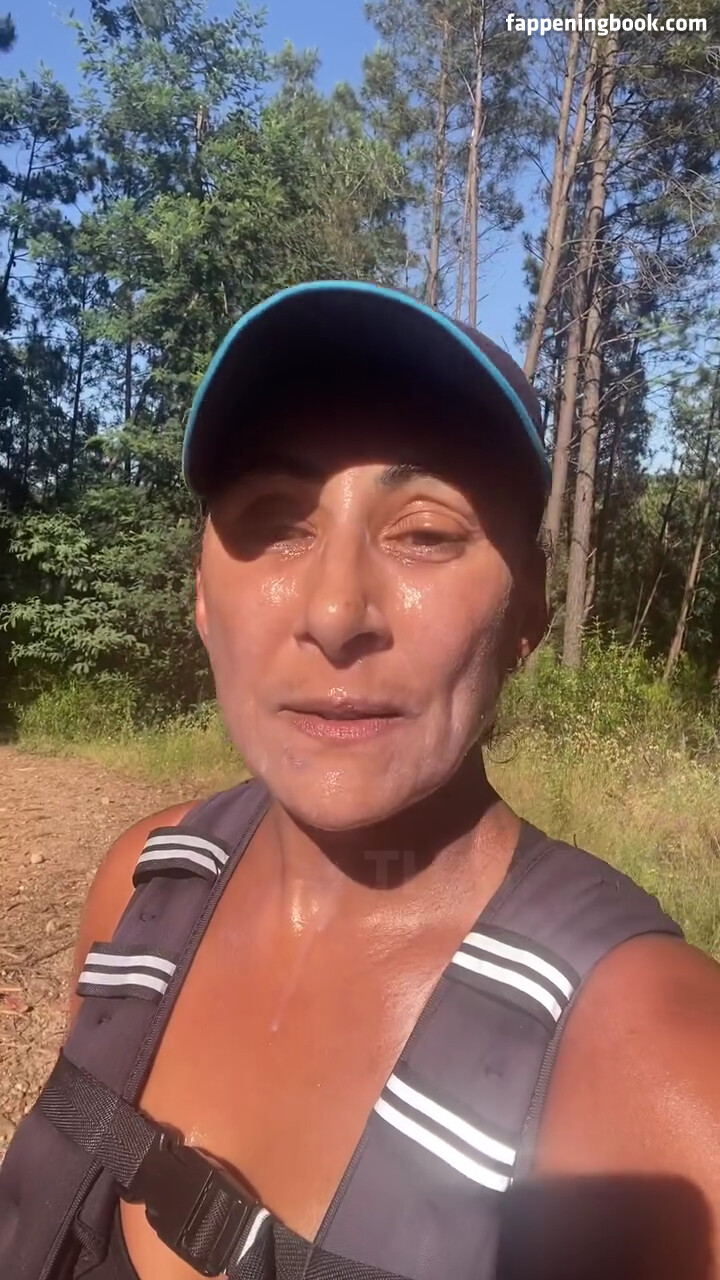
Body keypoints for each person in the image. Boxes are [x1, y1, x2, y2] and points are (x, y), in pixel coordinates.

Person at [2, 281, 720, 1280]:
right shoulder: (141, 889)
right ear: (202, 596)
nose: (337, 613)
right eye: (275, 522)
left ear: (530, 612)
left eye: (425, 533)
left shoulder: (661, 1073)